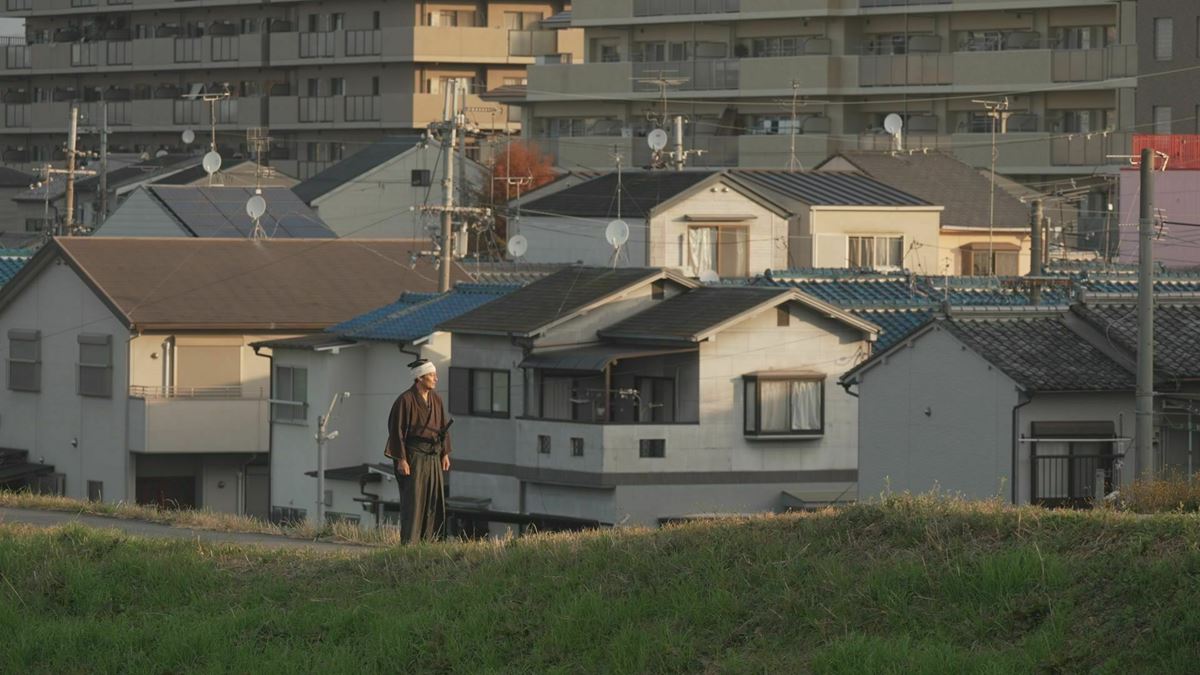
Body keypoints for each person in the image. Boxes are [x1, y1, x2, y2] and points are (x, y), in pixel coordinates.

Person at [385, 358, 452, 544]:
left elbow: (442, 426)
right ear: (420, 377)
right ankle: (410, 542)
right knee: (414, 499)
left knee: (434, 498)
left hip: (433, 455)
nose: (436, 378)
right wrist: (401, 459)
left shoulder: (436, 399)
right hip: (413, 456)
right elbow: (396, 431)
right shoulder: (405, 400)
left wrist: (445, 453)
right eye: (431, 375)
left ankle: (431, 541)